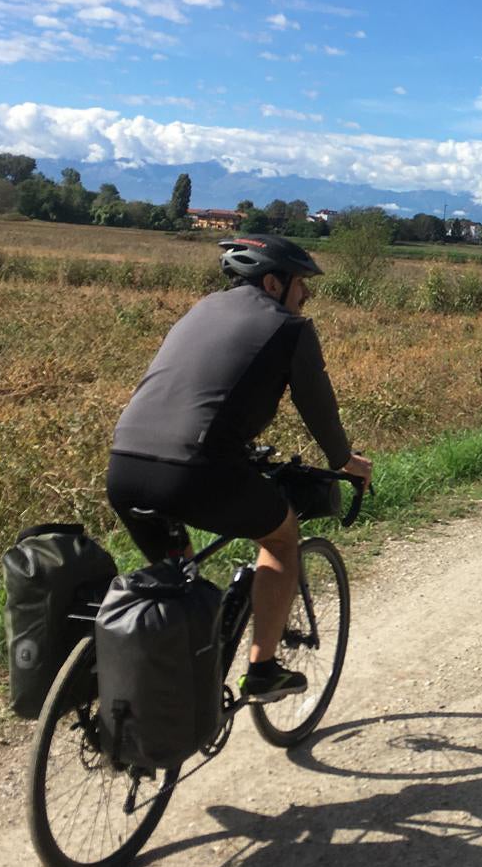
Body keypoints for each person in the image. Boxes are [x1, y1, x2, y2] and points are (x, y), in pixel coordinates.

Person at [106, 234, 371, 703]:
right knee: (281, 536)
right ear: (273, 282)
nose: (306, 295)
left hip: (125, 467)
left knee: (179, 581)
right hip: (194, 471)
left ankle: (172, 685)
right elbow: (317, 405)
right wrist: (345, 461)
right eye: (301, 284)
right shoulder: (291, 328)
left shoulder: (201, 309)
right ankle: (263, 669)